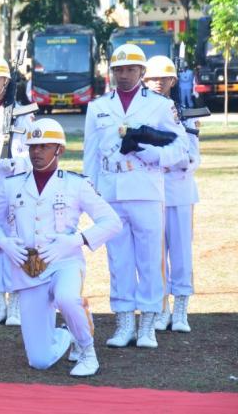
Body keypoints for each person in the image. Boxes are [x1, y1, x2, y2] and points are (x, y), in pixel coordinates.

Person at [0, 118, 121, 377]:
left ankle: (87, 351)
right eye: (33, 146)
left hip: (64, 262)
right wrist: (3, 242)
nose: (36, 152)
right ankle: (66, 334)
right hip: (27, 269)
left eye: (44, 146)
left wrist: (76, 240)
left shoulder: (76, 183)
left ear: (59, 149)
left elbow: (112, 222)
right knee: (40, 360)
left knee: (67, 299)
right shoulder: (12, 184)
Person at [83, 44, 187, 349]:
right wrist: (92, 196)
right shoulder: (98, 107)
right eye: (119, 70)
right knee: (119, 260)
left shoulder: (158, 105)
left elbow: (180, 148)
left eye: (130, 69)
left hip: (145, 189)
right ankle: (124, 322)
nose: (124, 75)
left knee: (150, 259)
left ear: (142, 72)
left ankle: (147, 326)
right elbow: (90, 157)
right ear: (111, 72)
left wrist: (151, 153)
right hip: (112, 192)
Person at [143, 56, 199, 333]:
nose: (158, 83)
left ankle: (180, 311)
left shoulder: (184, 113)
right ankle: (161, 309)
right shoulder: (139, 113)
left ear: (173, 81)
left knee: (181, 253)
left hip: (179, 191)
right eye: (153, 78)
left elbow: (191, 158)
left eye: (164, 78)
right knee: (154, 256)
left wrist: (163, 159)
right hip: (150, 193)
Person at [0, 54, 34, 327]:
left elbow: (33, 150)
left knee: (16, 245)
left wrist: (17, 163)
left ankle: (16, 304)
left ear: (6, 82)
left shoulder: (23, 112)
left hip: (13, 188)